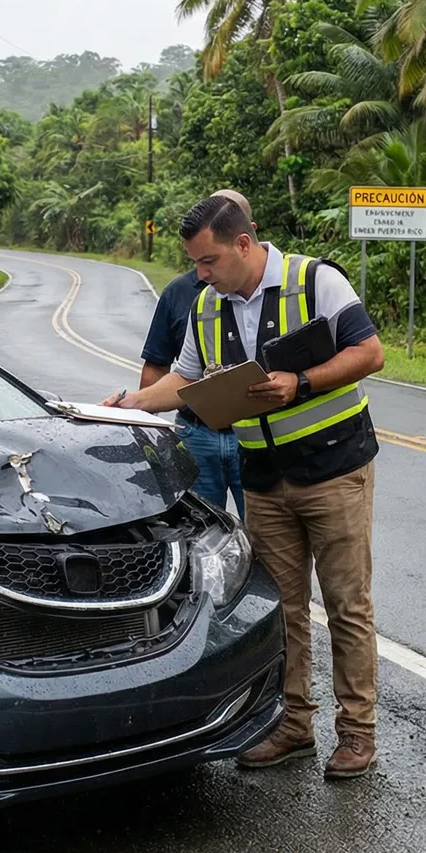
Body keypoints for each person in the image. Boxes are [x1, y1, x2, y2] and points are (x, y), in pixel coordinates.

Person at [103, 193, 385, 779]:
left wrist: (300, 382)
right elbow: (183, 380)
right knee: (281, 610)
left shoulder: (316, 281)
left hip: (334, 468)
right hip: (264, 478)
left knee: (346, 606)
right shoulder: (207, 306)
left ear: (243, 243)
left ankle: (357, 734)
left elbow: (370, 352)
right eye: (196, 264)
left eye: (208, 261)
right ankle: (294, 725)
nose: (200, 274)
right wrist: (126, 405)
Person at [138, 190, 251, 517]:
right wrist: (145, 425)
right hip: (197, 434)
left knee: (265, 539)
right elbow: (159, 365)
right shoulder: (180, 293)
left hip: (254, 437)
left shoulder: (273, 292)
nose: (206, 272)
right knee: (200, 533)